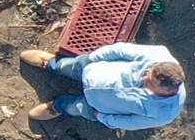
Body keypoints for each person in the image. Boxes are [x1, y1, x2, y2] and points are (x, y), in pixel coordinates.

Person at [19, 43, 186, 130]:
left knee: (75, 108)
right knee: (67, 66)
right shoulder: (158, 55)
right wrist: (94, 58)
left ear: (168, 90)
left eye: (150, 82)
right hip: (93, 70)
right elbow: (121, 50)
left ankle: (57, 107)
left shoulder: (164, 114)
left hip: (98, 107)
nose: (144, 78)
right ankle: (50, 64)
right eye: (148, 74)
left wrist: (103, 117)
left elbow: (131, 122)